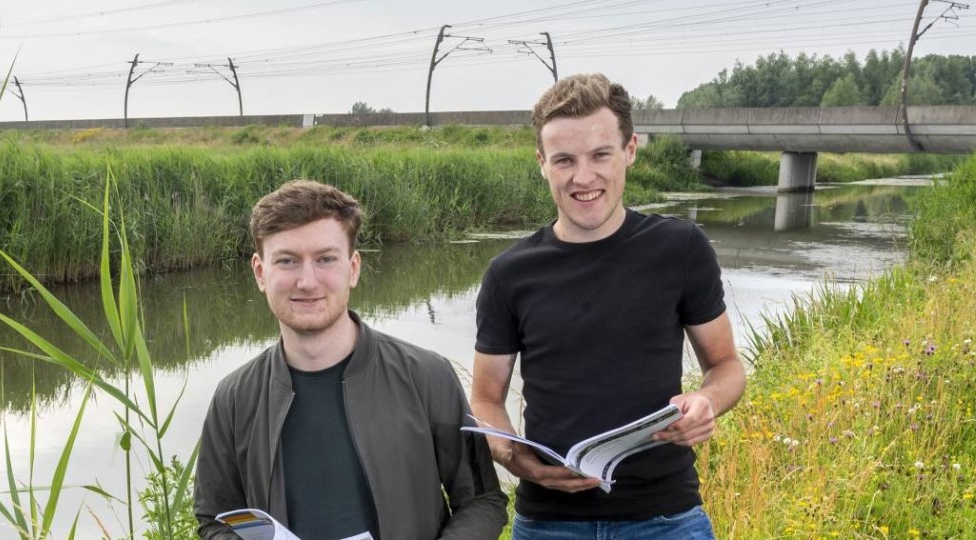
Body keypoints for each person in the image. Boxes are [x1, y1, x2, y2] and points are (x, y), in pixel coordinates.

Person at [469, 73, 747, 538]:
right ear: (542, 163)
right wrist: (516, 459)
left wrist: (706, 403)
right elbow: (485, 398)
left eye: (601, 154)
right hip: (548, 522)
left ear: (630, 150)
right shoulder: (508, 274)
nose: (584, 177)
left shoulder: (681, 247)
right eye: (564, 160)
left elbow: (726, 366)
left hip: (666, 517)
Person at [193, 180, 507, 540]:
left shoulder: (427, 376)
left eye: (325, 259)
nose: (307, 281)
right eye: (287, 261)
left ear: (353, 267)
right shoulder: (234, 397)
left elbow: (482, 502)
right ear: (260, 272)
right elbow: (216, 519)